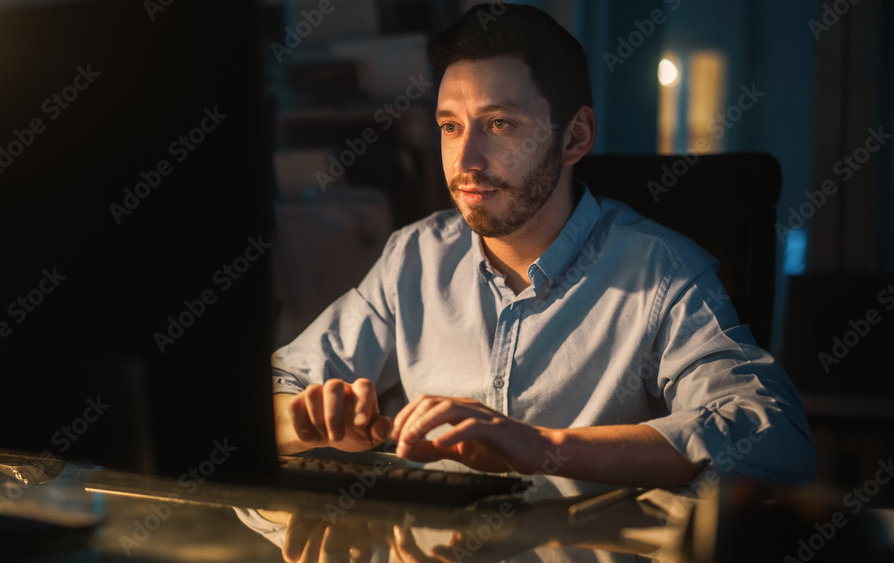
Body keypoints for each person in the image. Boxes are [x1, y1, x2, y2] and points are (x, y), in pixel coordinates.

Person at [271, 3, 816, 489]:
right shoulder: (415, 257)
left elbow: (776, 442)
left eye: (500, 124)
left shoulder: (662, 273)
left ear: (575, 137)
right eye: (450, 127)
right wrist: (308, 419)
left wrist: (543, 448)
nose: (465, 163)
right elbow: (268, 392)